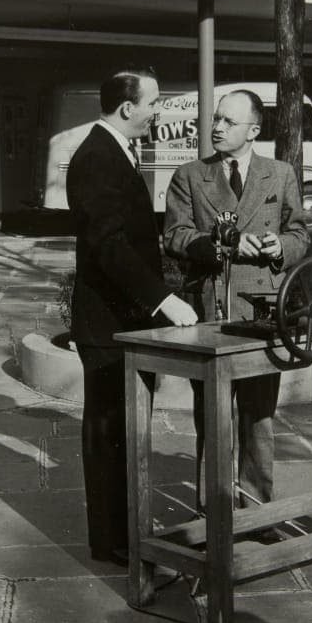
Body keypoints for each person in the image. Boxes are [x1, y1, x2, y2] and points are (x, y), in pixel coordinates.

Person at [65, 67, 198, 566]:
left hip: (122, 320)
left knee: (120, 431)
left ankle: (123, 534)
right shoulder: (98, 157)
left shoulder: (112, 150)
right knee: (108, 434)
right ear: (127, 108)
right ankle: (112, 542)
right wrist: (162, 300)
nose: (158, 110)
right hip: (108, 324)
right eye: (154, 103)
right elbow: (108, 246)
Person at [163, 89, 309, 517]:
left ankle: (257, 508)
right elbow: (174, 235)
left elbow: (300, 235)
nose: (217, 128)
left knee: (260, 415)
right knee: (213, 416)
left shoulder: (280, 174)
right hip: (212, 309)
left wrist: (277, 245)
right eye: (216, 120)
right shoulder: (190, 175)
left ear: (254, 130)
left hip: (264, 310)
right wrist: (220, 245)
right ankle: (215, 510)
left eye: (228, 122)